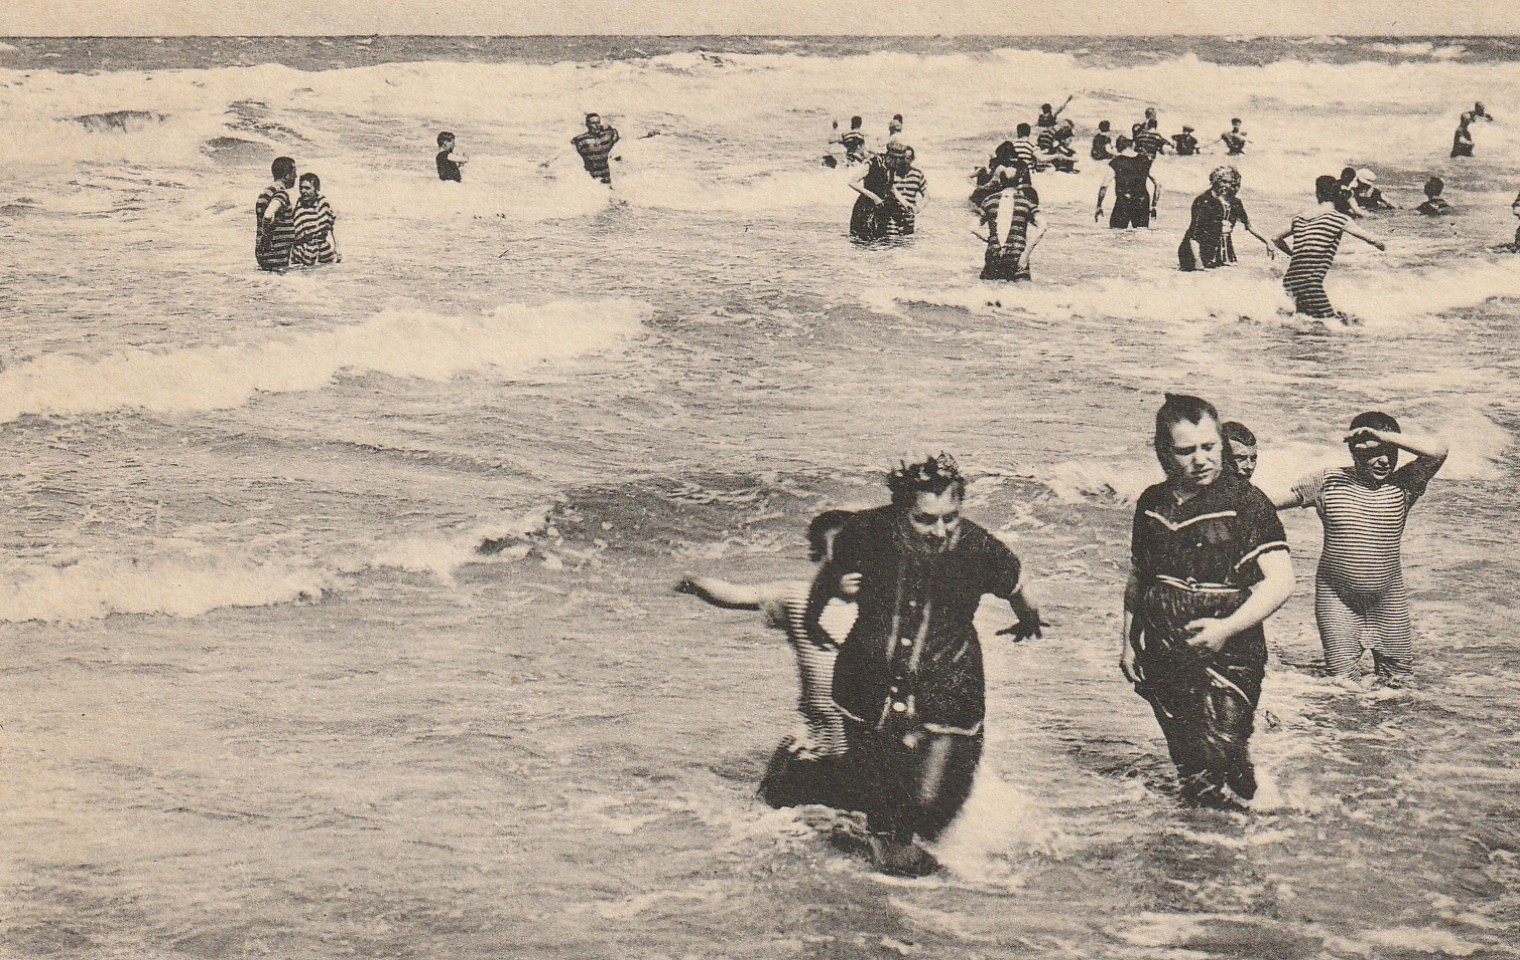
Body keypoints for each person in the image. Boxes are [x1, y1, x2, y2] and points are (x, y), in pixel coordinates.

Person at [805, 454, 1043, 876]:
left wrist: (1028, 622)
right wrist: (819, 608)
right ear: (901, 510)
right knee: (885, 816)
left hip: (951, 686)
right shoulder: (865, 533)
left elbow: (1019, 592)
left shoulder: (981, 548)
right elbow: (829, 575)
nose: (939, 530)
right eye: (924, 519)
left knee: (933, 813)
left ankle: (927, 880)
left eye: (949, 518)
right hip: (867, 682)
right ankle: (898, 897)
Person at [1122, 394, 1294, 810]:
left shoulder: (1247, 503)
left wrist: (1225, 629)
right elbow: (1140, 576)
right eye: (1186, 451)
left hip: (1232, 647)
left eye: (1209, 447)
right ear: (1164, 454)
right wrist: (1127, 642)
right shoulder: (1151, 502)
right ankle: (1200, 850)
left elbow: (1281, 580)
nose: (1200, 459)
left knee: (1221, 749)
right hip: (1163, 646)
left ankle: (1251, 813)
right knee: (1188, 759)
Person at [676, 511, 859, 809]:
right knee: (779, 813)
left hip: (857, 740)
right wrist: (694, 581)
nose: (853, 564)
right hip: (811, 737)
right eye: (841, 555)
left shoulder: (886, 608)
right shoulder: (798, 598)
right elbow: (740, 595)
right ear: (820, 557)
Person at [1274, 413, 1448, 685]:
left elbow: (1439, 451)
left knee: (1399, 684)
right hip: (1338, 600)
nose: (1385, 461)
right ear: (1354, 451)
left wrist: (1383, 438)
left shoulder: (1404, 485)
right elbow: (1268, 502)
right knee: (1343, 686)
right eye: (1376, 453)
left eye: (1391, 452)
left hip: (1388, 600)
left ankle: (1389, 730)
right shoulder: (1327, 480)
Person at [1274, 175, 1387, 321]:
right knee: (1332, 326)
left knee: (1306, 325)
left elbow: (1275, 238)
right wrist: (1384, 246)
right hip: (1310, 284)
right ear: (1336, 194)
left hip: (1290, 280)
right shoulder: (1340, 219)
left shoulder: (1300, 218)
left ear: (1317, 194)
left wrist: (1294, 254)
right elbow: (1374, 241)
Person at [1178, 166, 1274, 271]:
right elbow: (1194, 236)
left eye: (1231, 183)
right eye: (1223, 181)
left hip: (1223, 250)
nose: (1227, 186)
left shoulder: (1235, 202)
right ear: (1214, 181)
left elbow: (1249, 225)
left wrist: (1267, 241)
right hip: (1196, 250)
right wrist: (1198, 262)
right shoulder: (1203, 201)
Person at [848, 141, 926, 241]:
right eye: (899, 160)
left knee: (880, 243)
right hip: (865, 209)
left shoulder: (892, 167)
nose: (900, 164)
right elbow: (852, 182)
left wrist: (905, 203)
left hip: (880, 209)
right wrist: (874, 197)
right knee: (862, 243)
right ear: (892, 157)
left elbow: (891, 187)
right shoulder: (872, 163)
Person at [979, 176, 1046, 282]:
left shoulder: (988, 201)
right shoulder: (1027, 202)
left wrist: (990, 239)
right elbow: (1042, 226)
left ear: (1000, 181)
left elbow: (972, 227)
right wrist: (1026, 253)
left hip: (994, 253)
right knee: (1021, 294)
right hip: (1017, 254)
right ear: (1019, 181)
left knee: (990, 293)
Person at [1096, 137, 1160, 230]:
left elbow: (1104, 186)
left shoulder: (1116, 162)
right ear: (1133, 145)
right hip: (1142, 202)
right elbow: (1158, 184)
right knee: (1141, 235)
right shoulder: (1145, 160)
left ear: (1118, 147)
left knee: (1117, 235)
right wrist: (1154, 205)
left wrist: (1099, 206)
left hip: (1123, 202)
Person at [288, 173, 339, 267]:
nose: (303, 191)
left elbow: (331, 230)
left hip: (324, 253)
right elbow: (293, 237)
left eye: (307, 188)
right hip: (304, 255)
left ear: (316, 189)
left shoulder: (324, 204)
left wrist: (337, 250)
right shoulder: (299, 208)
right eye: (301, 188)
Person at [571, 113, 620, 185]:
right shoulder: (581, 140)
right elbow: (570, 153)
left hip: (606, 180)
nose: (597, 126)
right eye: (593, 123)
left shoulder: (605, 137)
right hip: (590, 181)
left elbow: (615, 135)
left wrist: (608, 127)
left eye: (598, 122)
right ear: (587, 125)